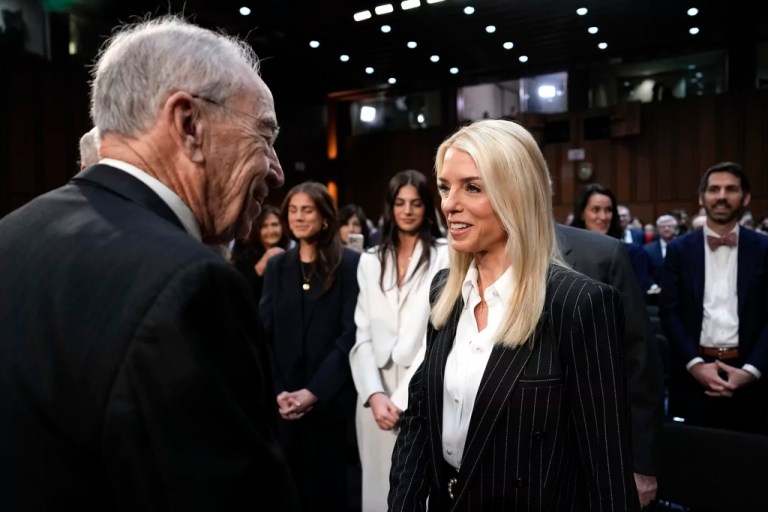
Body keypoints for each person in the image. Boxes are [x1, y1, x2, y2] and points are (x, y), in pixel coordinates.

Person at [0, 16, 298, 511]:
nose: (277, 170)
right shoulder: (188, 284)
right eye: (264, 137)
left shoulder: (11, 234)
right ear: (188, 125)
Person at [389, 119, 638, 511]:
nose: (449, 204)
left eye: (472, 187)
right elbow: (421, 420)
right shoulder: (446, 290)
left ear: (516, 195)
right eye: (444, 186)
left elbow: (606, 467)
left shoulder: (578, 303)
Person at [349, 169, 448, 511]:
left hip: (423, 386)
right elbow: (361, 335)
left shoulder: (446, 254)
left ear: (427, 207)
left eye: (416, 203)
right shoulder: (370, 260)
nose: (407, 211)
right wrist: (374, 395)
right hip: (374, 393)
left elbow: (441, 330)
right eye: (400, 203)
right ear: (390, 207)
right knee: (376, 493)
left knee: (418, 493)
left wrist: (403, 396)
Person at [259, 181, 361, 511]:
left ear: (326, 218)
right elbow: (265, 334)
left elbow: (349, 337)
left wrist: (313, 392)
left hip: (328, 406)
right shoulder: (277, 266)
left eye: (307, 210)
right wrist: (279, 392)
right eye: (293, 210)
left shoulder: (349, 265)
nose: (299, 217)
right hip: (283, 406)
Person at [555, 222, 663, 508]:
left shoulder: (602, 253)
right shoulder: (475, 256)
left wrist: (642, 465)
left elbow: (638, 361)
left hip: (590, 456)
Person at [660, 161, 768, 434]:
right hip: (693, 372)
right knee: (694, 466)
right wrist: (696, 366)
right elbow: (669, 313)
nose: (721, 196)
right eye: (714, 189)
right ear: (702, 197)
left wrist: (751, 370)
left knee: (750, 466)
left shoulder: (764, 248)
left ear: (745, 198)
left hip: (751, 377)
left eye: (730, 189)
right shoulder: (678, 250)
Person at [572, 183, 657, 295]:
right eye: (596, 209)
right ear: (582, 214)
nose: (603, 217)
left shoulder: (633, 253)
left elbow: (634, 302)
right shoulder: (568, 252)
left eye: (608, 210)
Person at [230, 204, 291, 307]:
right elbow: (239, 293)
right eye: (264, 226)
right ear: (257, 230)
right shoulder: (244, 258)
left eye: (275, 224)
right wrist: (263, 263)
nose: (271, 231)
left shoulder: (290, 254)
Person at [644, 213, 678, 284]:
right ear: (657, 229)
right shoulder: (647, 249)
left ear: (676, 229)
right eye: (663, 226)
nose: (666, 228)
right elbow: (645, 272)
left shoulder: (684, 247)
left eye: (670, 226)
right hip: (655, 291)